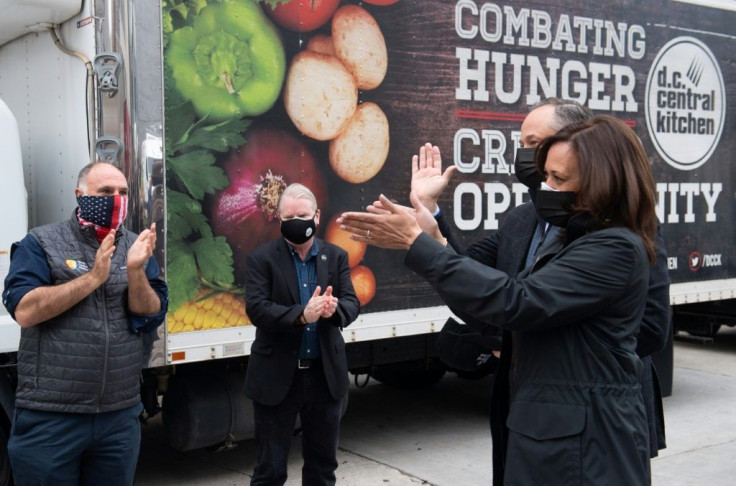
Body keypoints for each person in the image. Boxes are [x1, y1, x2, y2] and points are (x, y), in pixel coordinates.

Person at [339, 115, 658, 485]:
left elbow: (518, 301)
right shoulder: (554, 230)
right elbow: (483, 283)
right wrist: (432, 236)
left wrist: (418, 244)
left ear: (601, 180)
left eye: (559, 178)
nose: (547, 186)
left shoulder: (614, 246)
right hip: (545, 432)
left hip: (583, 448)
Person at [415, 98, 670, 467]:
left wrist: (529, 334)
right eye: (521, 144)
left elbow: (649, 329)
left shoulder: (620, 234)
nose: (525, 156)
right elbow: (469, 278)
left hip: (592, 415)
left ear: (578, 144)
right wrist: (431, 216)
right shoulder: (521, 219)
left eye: (534, 143)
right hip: (523, 402)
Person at [2, 161, 168, 485]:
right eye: (105, 192)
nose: (116, 198)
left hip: (118, 417)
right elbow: (24, 310)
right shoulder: (41, 243)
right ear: (81, 195)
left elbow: (149, 315)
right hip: (52, 416)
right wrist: (93, 278)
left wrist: (135, 272)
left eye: (122, 192)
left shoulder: (136, 246)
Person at [244, 183, 360, 486]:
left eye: (302, 215)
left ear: (317, 216)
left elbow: (352, 302)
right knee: (269, 471)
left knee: (322, 469)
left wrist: (334, 309)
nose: (296, 221)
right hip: (277, 377)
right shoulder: (262, 258)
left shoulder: (336, 256)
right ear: (279, 219)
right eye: (289, 217)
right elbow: (257, 309)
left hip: (324, 377)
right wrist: (300, 315)